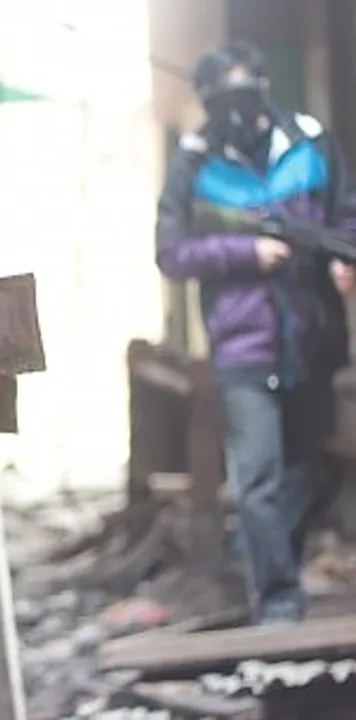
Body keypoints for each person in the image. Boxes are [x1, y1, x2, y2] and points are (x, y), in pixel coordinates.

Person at [155, 41, 356, 625]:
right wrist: (247, 252)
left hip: (314, 339)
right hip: (243, 347)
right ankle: (277, 601)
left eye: (245, 94)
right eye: (224, 99)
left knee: (311, 468)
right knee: (257, 480)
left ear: (266, 88)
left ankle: (269, 559)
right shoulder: (194, 161)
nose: (238, 109)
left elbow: (345, 215)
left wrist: (342, 260)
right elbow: (172, 252)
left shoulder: (310, 142)